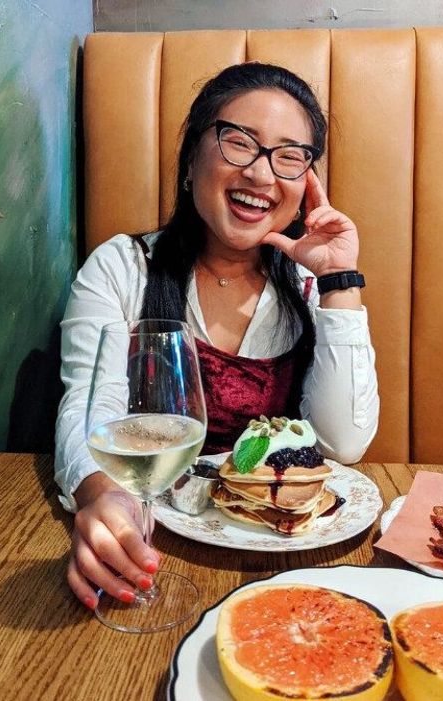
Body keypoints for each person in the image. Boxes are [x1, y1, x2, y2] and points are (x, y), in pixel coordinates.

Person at [55, 63, 379, 609]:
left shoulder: (307, 286)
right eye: (239, 143)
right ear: (190, 162)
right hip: (154, 542)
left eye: (289, 156)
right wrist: (103, 497)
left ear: (305, 183)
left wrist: (339, 280)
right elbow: (90, 410)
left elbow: (341, 444)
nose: (261, 174)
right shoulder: (123, 268)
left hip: (286, 554)